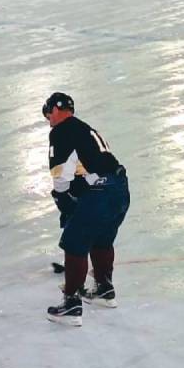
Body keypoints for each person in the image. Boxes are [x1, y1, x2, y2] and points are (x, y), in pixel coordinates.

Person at [44, 92, 129, 327]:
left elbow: (61, 176)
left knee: (74, 243)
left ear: (56, 110)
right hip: (120, 188)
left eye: (48, 113)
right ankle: (104, 289)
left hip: (99, 193)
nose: (48, 119)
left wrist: (63, 198)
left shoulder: (61, 131)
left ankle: (71, 304)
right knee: (101, 239)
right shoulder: (85, 129)